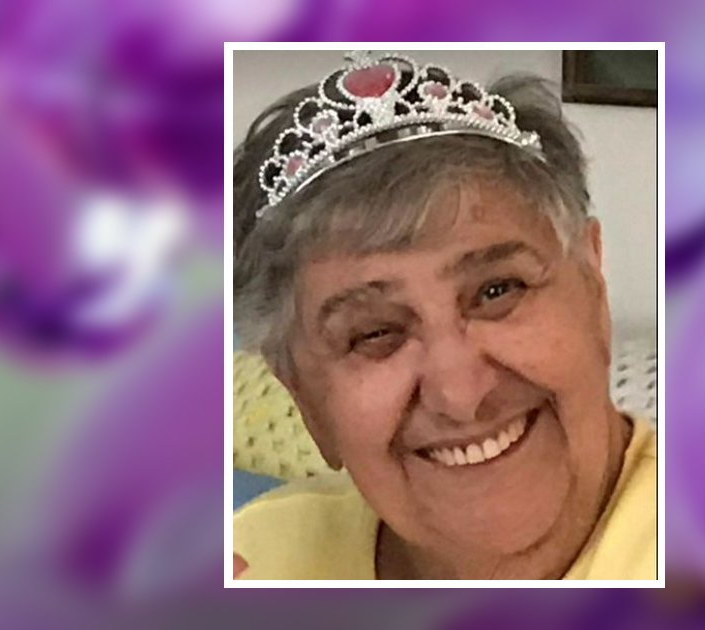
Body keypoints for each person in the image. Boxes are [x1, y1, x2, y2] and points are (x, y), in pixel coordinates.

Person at [232, 51, 656, 580]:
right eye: (375, 333)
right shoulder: (254, 559)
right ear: (300, 392)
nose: (460, 395)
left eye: (497, 291)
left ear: (594, 286)